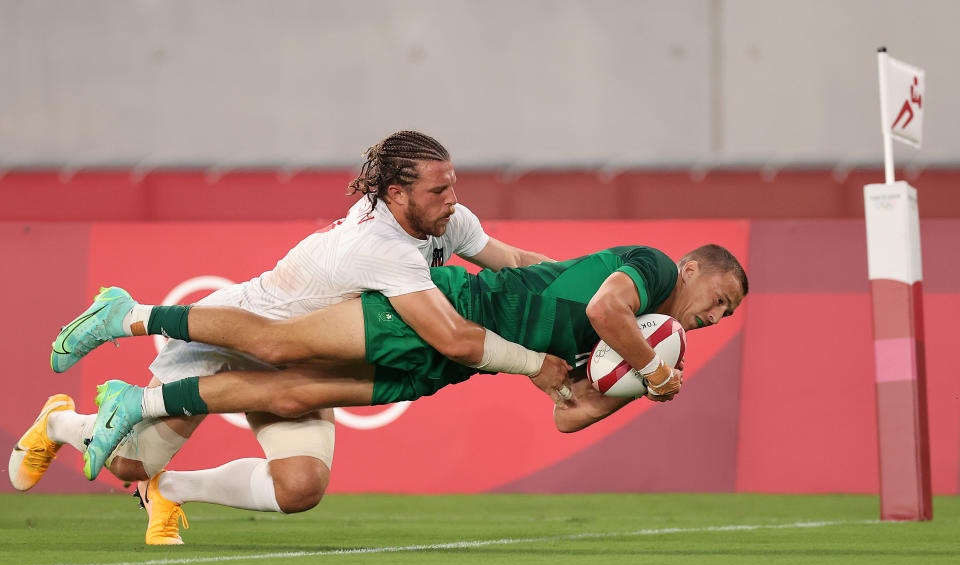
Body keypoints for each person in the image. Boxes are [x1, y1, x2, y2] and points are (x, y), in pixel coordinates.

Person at [9, 130, 571, 542]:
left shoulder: (448, 220)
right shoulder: (381, 248)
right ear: (397, 195)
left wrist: (576, 295)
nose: (452, 199)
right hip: (229, 335)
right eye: (438, 190)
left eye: (454, 186)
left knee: (299, 488)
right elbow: (452, 340)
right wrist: (539, 362)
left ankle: (171, 490)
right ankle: (59, 420)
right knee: (129, 464)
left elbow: (516, 262)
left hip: (298, 356)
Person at [63, 243, 746, 543]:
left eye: (726, 317)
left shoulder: (617, 347)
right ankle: (131, 317)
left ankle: (149, 466)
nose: (714, 319)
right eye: (719, 300)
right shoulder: (653, 270)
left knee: (295, 393)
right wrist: (652, 367)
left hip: (447, 365)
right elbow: (605, 310)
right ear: (692, 270)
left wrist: (633, 389)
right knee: (276, 343)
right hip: (438, 310)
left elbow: (571, 415)